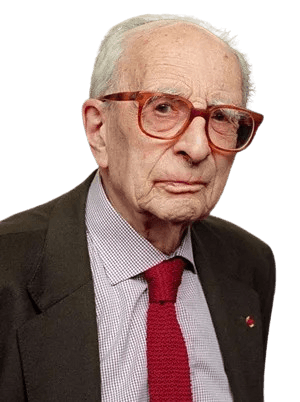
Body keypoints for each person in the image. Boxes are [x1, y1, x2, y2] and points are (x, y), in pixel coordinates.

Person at [0, 13, 276, 402]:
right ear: (98, 130)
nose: (197, 148)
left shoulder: (251, 263)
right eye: (162, 108)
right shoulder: (6, 266)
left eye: (220, 117)